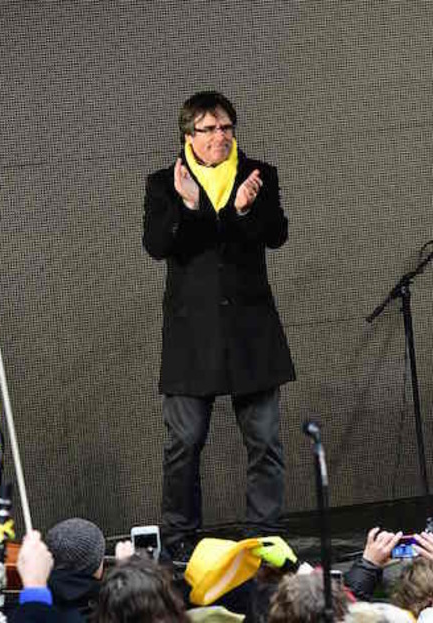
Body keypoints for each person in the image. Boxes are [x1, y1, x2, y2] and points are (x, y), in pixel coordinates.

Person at [143, 91, 295, 555]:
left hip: (251, 331)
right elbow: (157, 245)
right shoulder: (164, 183)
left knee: (265, 442)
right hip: (193, 337)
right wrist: (188, 207)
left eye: (226, 127)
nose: (220, 137)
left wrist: (247, 209)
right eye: (209, 129)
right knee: (183, 444)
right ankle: (180, 541)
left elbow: (277, 235)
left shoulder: (259, 175)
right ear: (189, 135)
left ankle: (263, 539)